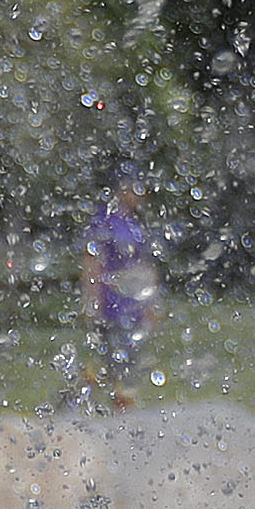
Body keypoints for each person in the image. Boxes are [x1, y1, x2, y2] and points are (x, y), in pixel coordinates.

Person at [81, 162, 161, 409]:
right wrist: (91, 299)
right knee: (116, 358)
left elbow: (142, 266)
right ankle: (114, 406)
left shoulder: (133, 224)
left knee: (121, 359)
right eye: (137, 189)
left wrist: (152, 302)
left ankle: (111, 405)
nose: (142, 195)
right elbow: (91, 261)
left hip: (132, 303)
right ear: (123, 190)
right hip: (112, 302)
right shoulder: (105, 221)